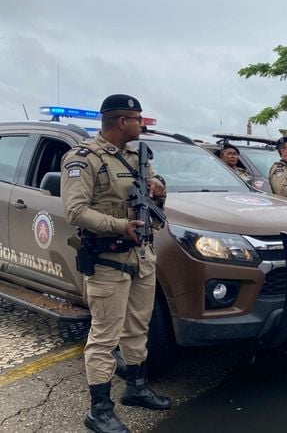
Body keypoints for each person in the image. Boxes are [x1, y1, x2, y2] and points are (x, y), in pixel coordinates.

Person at [61, 94, 171, 433]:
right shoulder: (83, 158)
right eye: (138, 119)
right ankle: (99, 410)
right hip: (108, 258)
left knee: (138, 328)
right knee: (104, 337)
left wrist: (157, 186)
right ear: (122, 122)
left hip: (140, 257)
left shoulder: (136, 158)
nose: (143, 124)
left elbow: (158, 193)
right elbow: (75, 211)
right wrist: (120, 226)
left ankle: (136, 389)